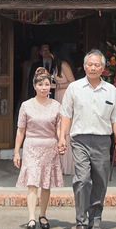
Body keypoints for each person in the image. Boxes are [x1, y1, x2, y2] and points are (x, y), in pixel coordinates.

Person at [57, 48, 116, 229]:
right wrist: (62, 137)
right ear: (84, 66)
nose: (93, 68)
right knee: (81, 180)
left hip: (103, 141)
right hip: (80, 140)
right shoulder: (74, 88)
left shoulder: (111, 90)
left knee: (100, 181)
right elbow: (66, 114)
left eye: (97, 65)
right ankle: (81, 221)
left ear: (103, 68)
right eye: (90, 64)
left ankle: (95, 220)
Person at [13, 68, 64, 229]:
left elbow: (58, 129)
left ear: (51, 86)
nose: (44, 87)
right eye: (40, 84)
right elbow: (21, 131)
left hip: (49, 146)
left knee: (46, 183)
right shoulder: (26, 106)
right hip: (31, 147)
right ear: (34, 86)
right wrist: (16, 152)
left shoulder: (56, 106)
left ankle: (43, 215)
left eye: (47, 84)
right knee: (32, 183)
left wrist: (61, 141)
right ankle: (31, 218)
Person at [49, 47, 76, 176]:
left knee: (65, 127)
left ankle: (68, 165)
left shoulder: (64, 64)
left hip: (64, 94)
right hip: (58, 95)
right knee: (58, 126)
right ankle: (59, 164)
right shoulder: (56, 65)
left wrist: (56, 86)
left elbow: (72, 82)